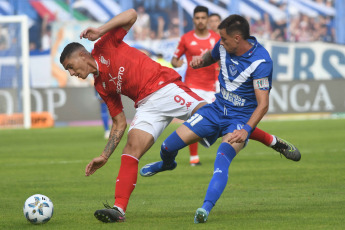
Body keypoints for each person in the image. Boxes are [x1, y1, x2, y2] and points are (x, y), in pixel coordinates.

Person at [140, 14, 301, 223]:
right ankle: (166, 164)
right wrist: (199, 62)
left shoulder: (261, 61)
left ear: (237, 38)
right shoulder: (224, 46)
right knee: (167, 147)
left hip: (239, 120)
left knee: (221, 161)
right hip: (215, 110)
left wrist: (245, 130)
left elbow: (263, 105)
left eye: (223, 39)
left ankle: (205, 209)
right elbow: (211, 56)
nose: (220, 42)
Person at [59, 9, 206, 223]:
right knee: (131, 149)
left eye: (70, 67)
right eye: (68, 71)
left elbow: (131, 14)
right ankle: (119, 209)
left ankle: (260, 134)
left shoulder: (104, 45)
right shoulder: (101, 86)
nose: (72, 73)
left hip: (164, 86)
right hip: (146, 106)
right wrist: (105, 155)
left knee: (211, 117)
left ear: (82, 55)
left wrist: (100, 30)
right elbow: (119, 122)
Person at [171, 6, 220, 166]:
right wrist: (181, 62)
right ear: (193, 20)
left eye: (203, 18)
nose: (200, 21)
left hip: (212, 86)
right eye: (197, 18)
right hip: (192, 86)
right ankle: (194, 158)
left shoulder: (215, 37)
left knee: (217, 121)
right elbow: (174, 60)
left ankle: (206, 137)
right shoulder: (185, 38)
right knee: (195, 120)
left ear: (207, 20)